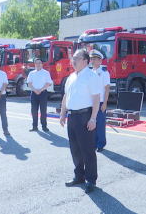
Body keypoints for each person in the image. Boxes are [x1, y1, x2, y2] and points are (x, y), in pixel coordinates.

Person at [60, 49, 102, 194]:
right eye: (73, 58)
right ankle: (79, 176)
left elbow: (97, 98)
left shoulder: (92, 76)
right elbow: (66, 96)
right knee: (75, 148)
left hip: (85, 116)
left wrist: (93, 118)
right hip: (72, 117)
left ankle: (91, 179)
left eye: (77, 58)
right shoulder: (71, 77)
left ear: (86, 61)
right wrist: (62, 113)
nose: (74, 60)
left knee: (87, 149)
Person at [89, 49, 110, 152]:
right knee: (92, 123)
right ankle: (94, 142)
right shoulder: (90, 72)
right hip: (91, 102)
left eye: (95, 59)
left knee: (100, 124)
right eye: (91, 59)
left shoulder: (104, 73)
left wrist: (105, 102)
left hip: (100, 101)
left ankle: (101, 144)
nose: (92, 61)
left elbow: (107, 88)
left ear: (100, 60)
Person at [27, 57, 52, 132]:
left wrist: (41, 90)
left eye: (39, 63)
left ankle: (44, 126)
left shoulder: (46, 73)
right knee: (34, 110)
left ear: (42, 64)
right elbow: (29, 83)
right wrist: (35, 90)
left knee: (43, 110)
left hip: (43, 93)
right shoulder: (31, 73)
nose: (38, 64)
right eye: (36, 63)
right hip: (34, 93)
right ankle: (34, 126)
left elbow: (48, 83)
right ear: (34, 64)